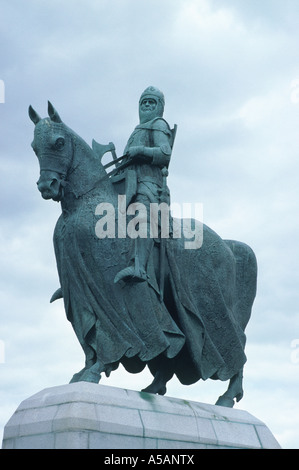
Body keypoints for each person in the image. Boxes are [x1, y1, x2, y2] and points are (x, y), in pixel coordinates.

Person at [113, 86, 176, 285]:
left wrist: (140, 150)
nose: (147, 105)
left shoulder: (158, 125)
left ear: (159, 107)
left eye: (151, 102)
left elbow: (165, 154)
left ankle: (139, 266)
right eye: (144, 102)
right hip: (129, 184)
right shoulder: (137, 130)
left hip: (149, 184)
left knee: (142, 212)